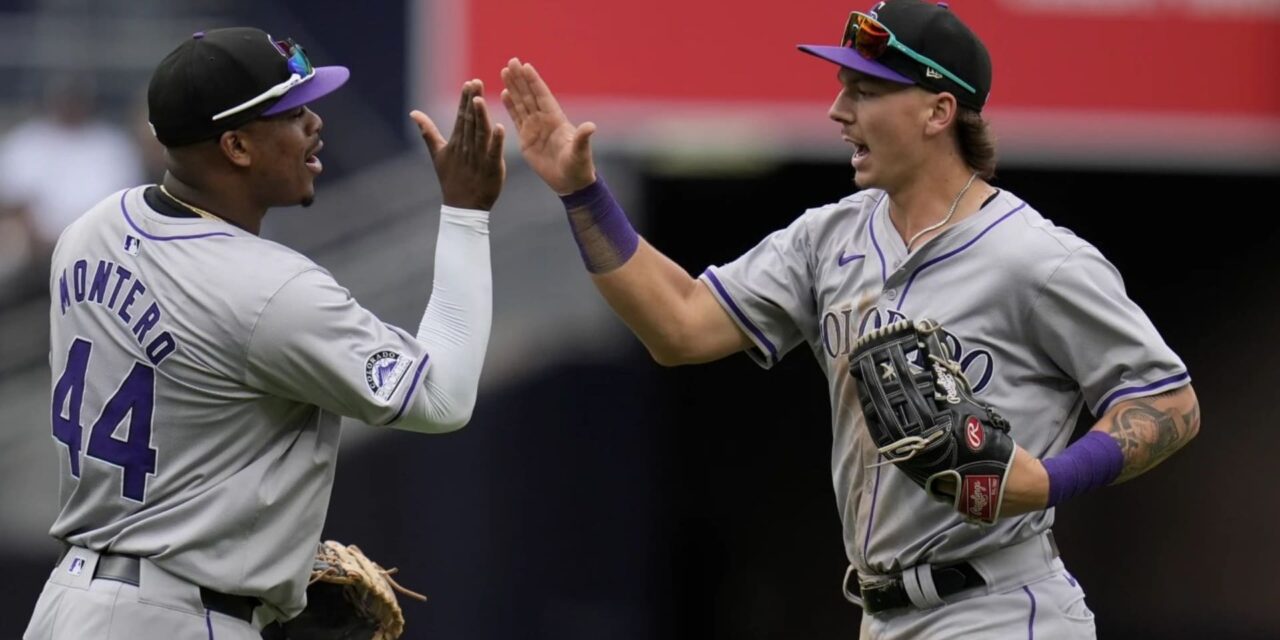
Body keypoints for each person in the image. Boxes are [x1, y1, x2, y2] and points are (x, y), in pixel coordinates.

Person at [499, 1, 1198, 637]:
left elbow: (1168, 401)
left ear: (938, 112)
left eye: (865, 91)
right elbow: (679, 326)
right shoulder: (827, 239)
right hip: (881, 615)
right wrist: (583, 195)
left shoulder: (1037, 259)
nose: (839, 110)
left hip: (1001, 611)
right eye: (844, 89)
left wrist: (1048, 480)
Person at [25, 26, 505, 639]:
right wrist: (466, 211)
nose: (314, 124)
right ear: (237, 146)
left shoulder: (89, 230)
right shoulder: (271, 289)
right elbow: (442, 398)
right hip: (176, 615)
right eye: (292, 112)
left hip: (69, 601)